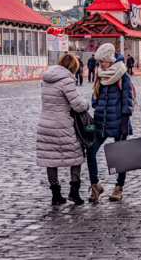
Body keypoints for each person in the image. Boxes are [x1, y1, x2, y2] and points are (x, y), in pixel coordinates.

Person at [37, 53, 90, 205]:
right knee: (77, 155)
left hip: (45, 123)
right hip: (62, 125)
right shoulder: (67, 80)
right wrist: (87, 104)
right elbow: (77, 105)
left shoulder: (46, 79)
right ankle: (74, 191)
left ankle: (56, 194)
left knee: (50, 159)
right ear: (73, 67)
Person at [88, 43, 133, 203]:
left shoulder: (122, 75)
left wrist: (125, 123)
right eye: (99, 61)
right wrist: (96, 105)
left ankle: (118, 188)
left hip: (118, 121)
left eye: (103, 62)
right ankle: (95, 185)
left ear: (110, 60)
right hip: (101, 121)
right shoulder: (100, 74)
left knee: (121, 157)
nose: (100, 64)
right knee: (91, 151)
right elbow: (95, 95)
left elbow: (128, 100)